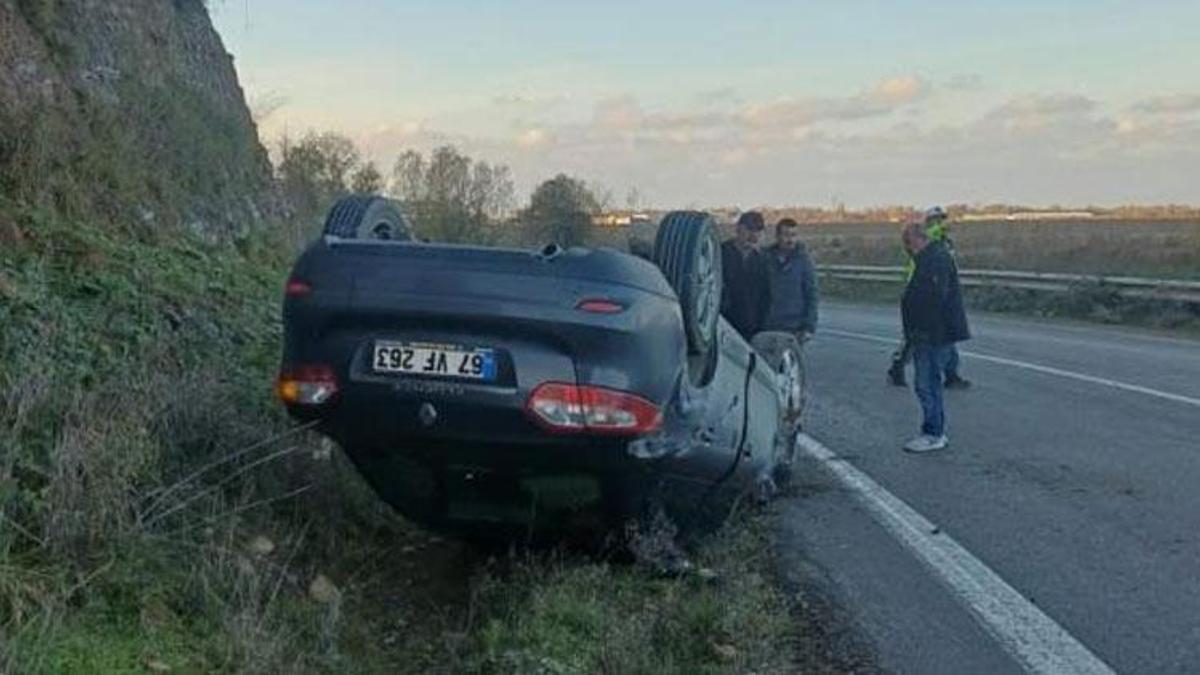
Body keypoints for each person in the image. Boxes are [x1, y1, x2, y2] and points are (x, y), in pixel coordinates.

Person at [899, 221, 970, 453]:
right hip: (932, 332)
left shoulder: (935, 260)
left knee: (926, 383)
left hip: (933, 333)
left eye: (908, 243)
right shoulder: (929, 258)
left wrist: (920, 330)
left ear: (918, 239)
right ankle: (934, 431)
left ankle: (933, 433)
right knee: (929, 382)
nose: (907, 249)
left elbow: (933, 298)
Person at [888, 206, 970, 389]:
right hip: (921, 286)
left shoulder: (944, 241)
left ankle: (951, 374)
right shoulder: (930, 236)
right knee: (913, 339)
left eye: (941, 219)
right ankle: (897, 367)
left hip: (939, 288)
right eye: (936, 220)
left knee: (945, 336)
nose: (940, 222)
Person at [762, 218, 818, 339]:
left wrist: (809, 327)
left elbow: (812, 294)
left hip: (794, 329)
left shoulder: (804, 261)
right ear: (777, 236)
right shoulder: (764, 258)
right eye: (786, 235)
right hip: (766, 327)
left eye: (793, 235)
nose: (790, 240)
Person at [720, 211, 770, 339]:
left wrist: (763, 326)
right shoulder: (721, 254)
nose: (754, 235)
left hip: (753, 329)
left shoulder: (763, 260)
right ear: (738, 229)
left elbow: (767, 296)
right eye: (749, 230)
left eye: (758, 231)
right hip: (723, 326)